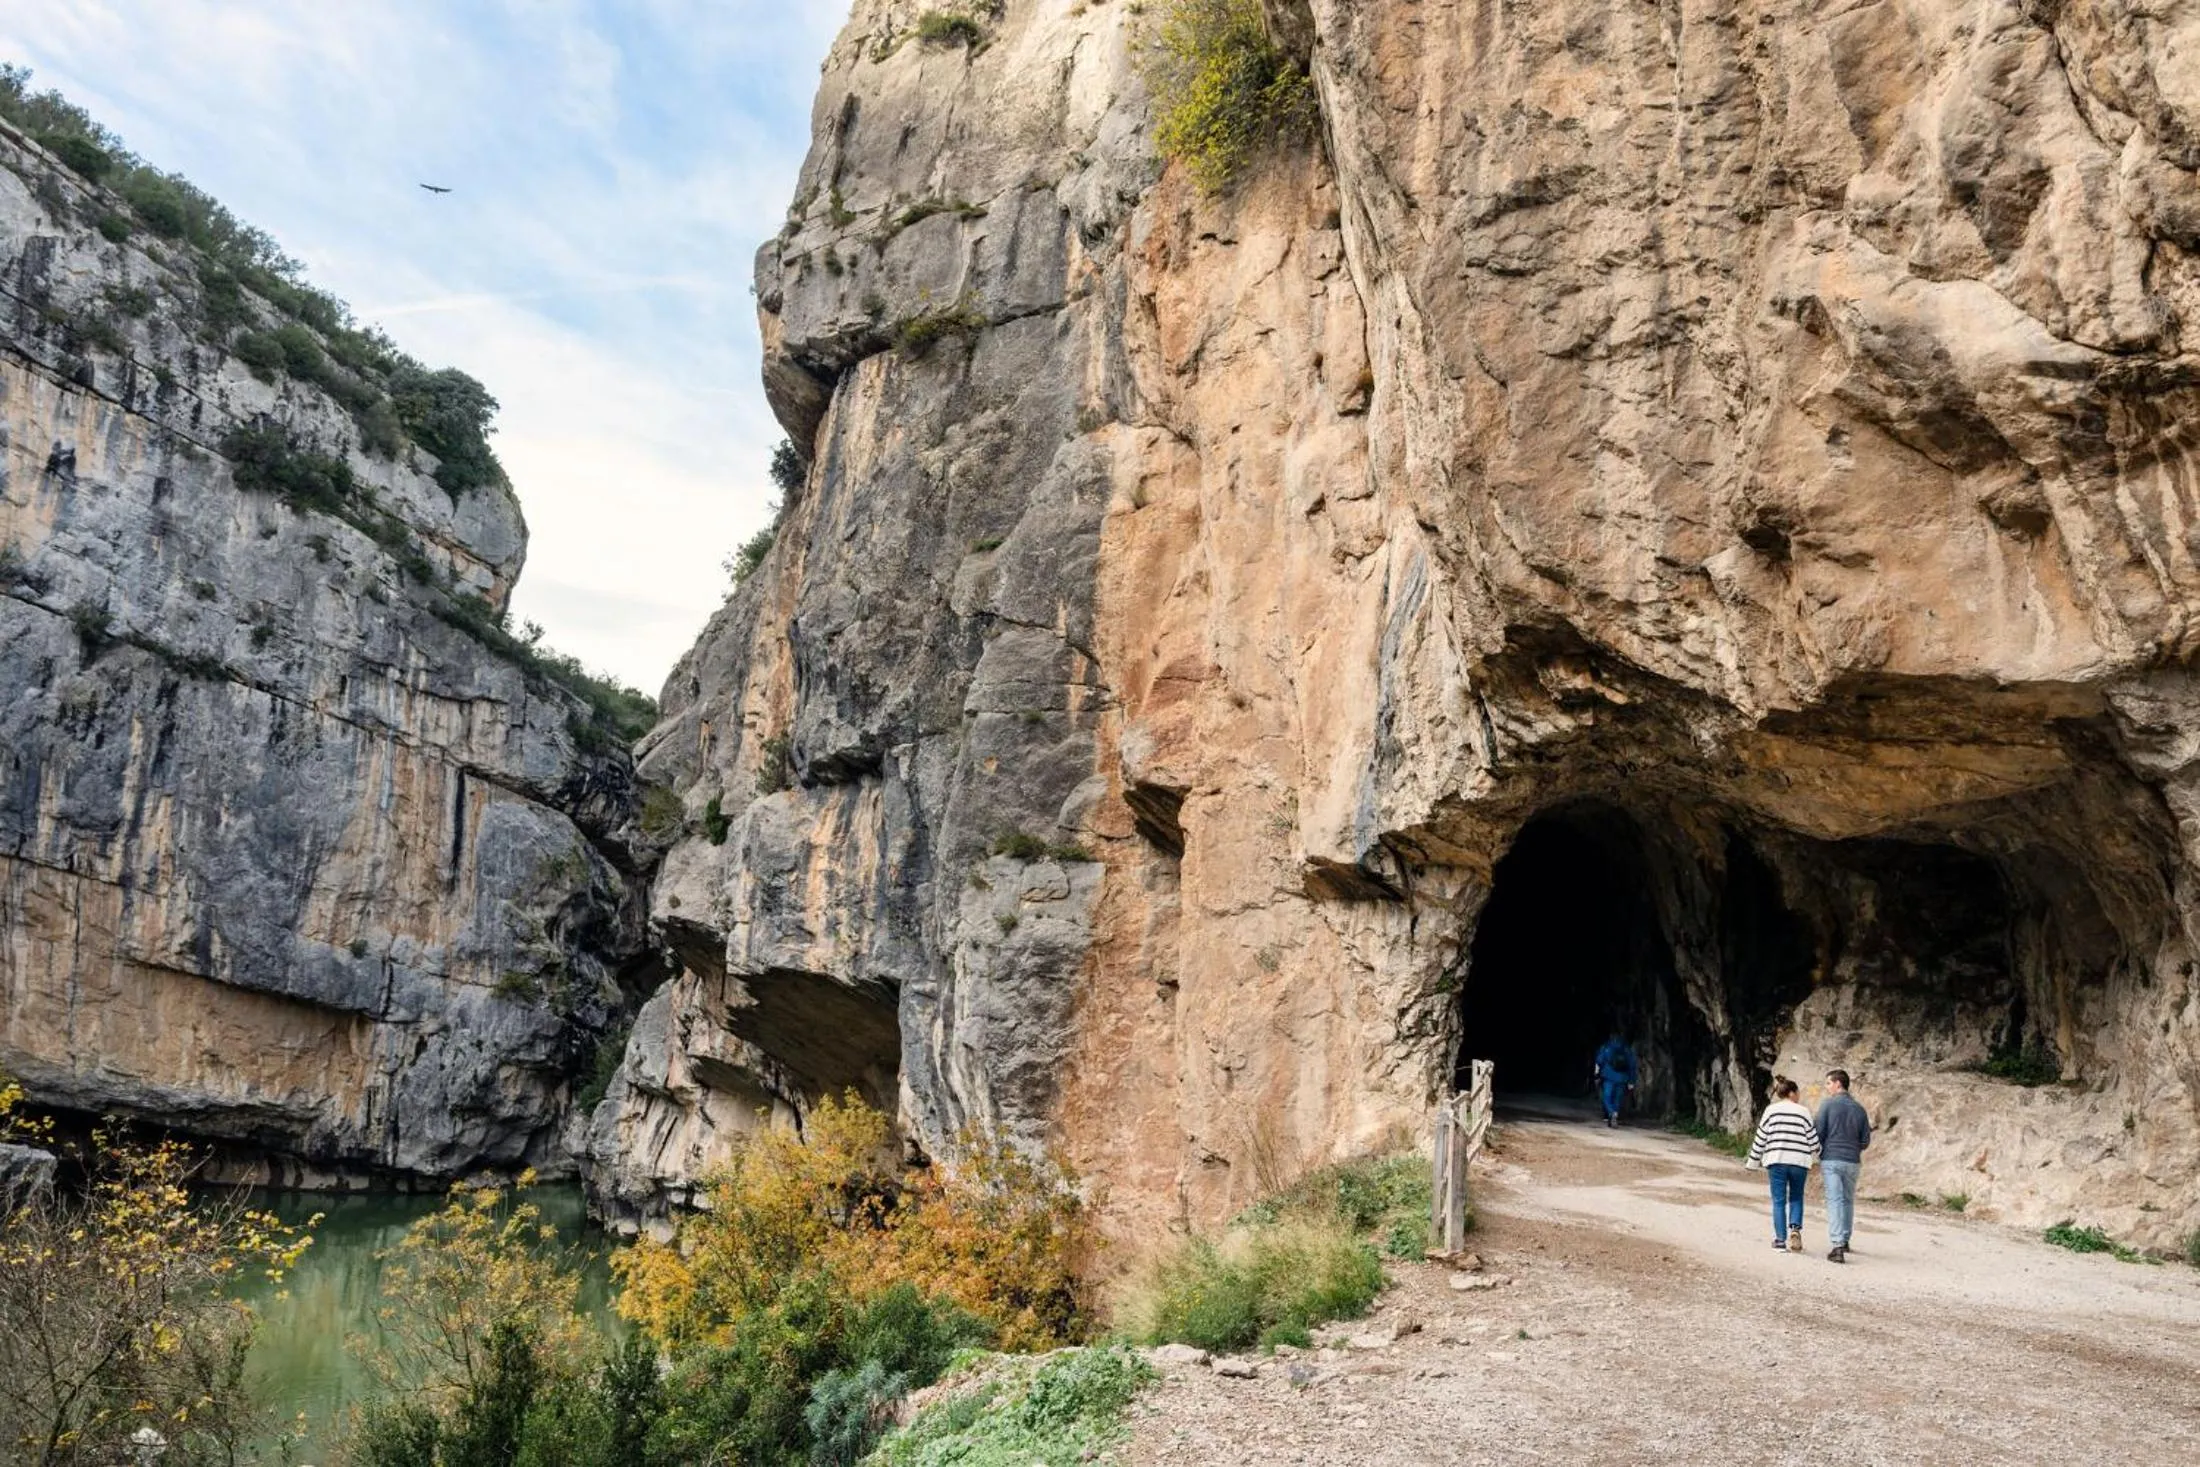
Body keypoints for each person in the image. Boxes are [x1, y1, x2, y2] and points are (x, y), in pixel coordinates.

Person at [1745, 1077, 1821, 1253]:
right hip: (1799, 1162)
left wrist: (1752, 1162)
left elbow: (1761, 1137)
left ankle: (1780, 1241)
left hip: (1776, 1160)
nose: (1799, 1095)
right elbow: (1812, 1138)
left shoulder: (1771, 1111)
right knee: (1796, 1197)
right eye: (1798, 1092)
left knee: (1779, 1201)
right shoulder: (1803, 1112)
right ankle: (1795, 1228)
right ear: (1792, 1093)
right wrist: (1819, 1153)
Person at [1815, 1068, 1871, 1263]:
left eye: (1828, 1083)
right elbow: (1865, 1141)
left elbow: (1818, 1132)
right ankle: (1845, 1240)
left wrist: (1821, 1148)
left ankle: (1837, 1245)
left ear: (1838, 1083)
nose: (1827, 1087)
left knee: (1834, 1200)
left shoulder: (1827, 1105)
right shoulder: (1859, 1109)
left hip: (1831, 1158)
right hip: (1853, 1160)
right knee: (1847, 1200)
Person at [1592, 1033, 1638, 1128]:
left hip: (1608, 1076)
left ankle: (1611, 1112)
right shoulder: (1626, 1049)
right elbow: (1632, 1066)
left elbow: (1599, 1061)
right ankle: (1615, 1113)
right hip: (1622, 1078)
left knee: (1607, 1096)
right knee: (1617, 1098)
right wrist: (1631, 1081)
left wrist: (1596, 1074)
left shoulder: (1607, 1047)